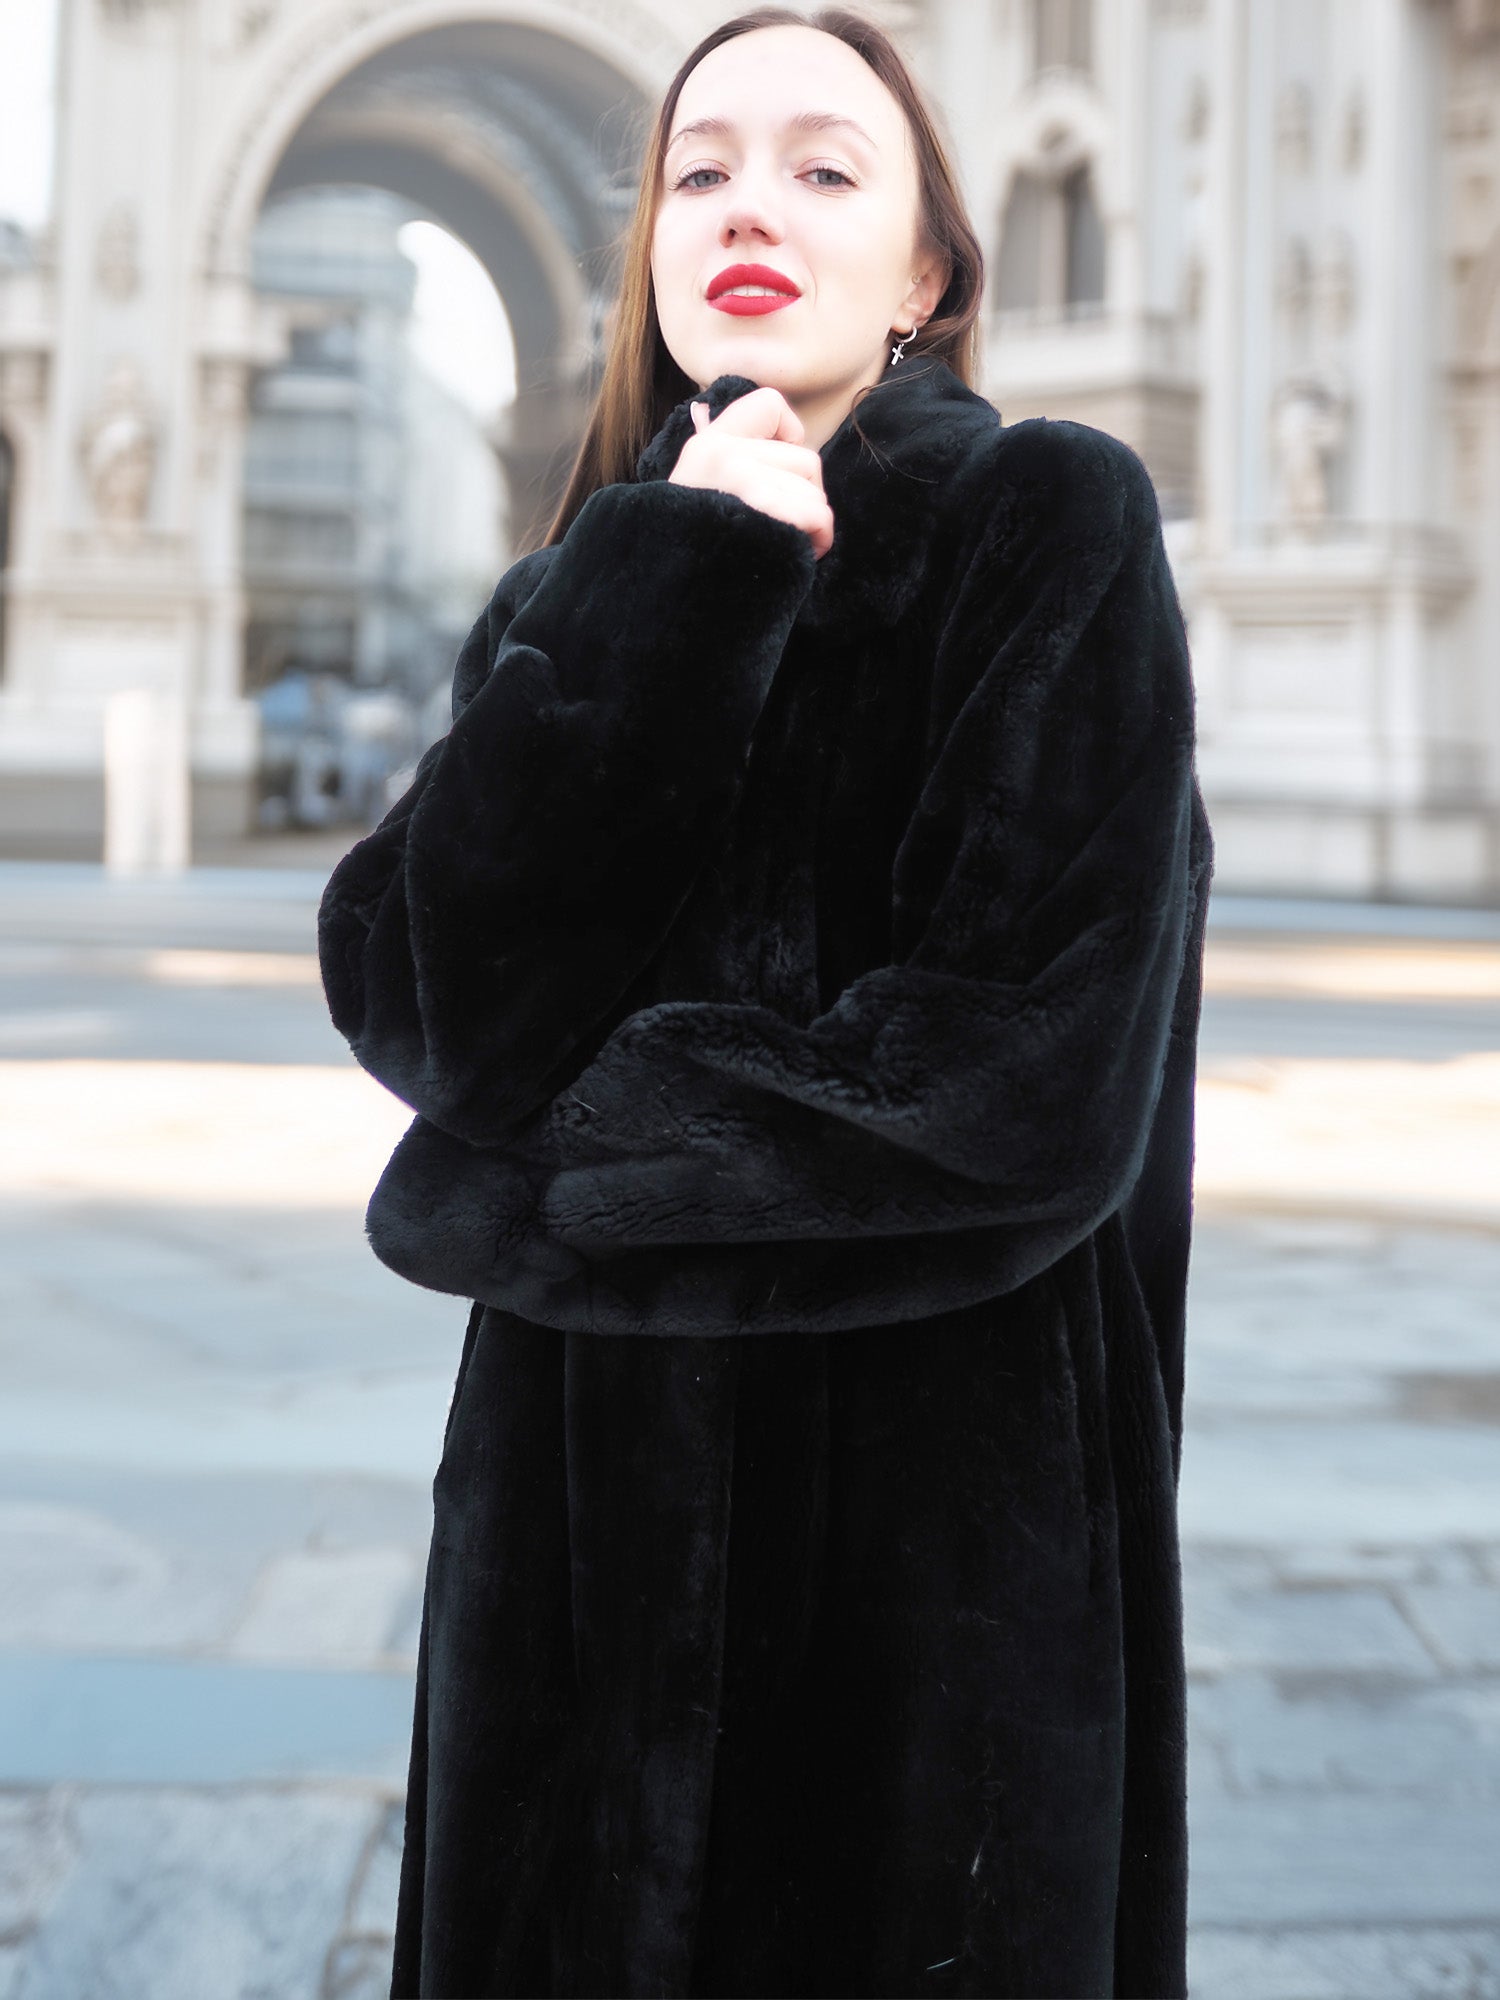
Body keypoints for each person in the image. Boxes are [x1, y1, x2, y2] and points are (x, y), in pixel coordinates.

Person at [317, 8, 1215, 1996]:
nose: (748, 202)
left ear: (922, 276)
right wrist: (682, 584)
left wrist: (506, 1194)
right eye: (700, 167)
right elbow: (415, 995)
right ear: (647, 246)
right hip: (563, 1592)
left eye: (825, 167)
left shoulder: (1044, 527)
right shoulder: (581, 592)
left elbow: (1011, 1090)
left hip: (932, 1614)